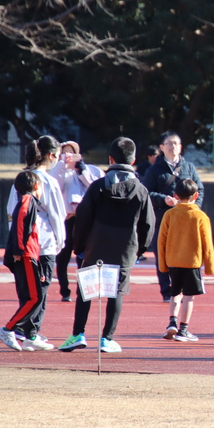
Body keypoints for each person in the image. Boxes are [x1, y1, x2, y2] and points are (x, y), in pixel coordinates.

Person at [58, 137, 155, 353]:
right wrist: (139, 251)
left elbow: (83, 218)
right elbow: (148, 225)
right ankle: (107, 339)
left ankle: (78, 334)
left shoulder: (98, 186)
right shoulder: (140, 190)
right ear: (134, 160)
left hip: (95, 246)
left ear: (110, 158)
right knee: (117, 292)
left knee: (86, 290)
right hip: (125, 249)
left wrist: (79, 246)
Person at [6, 136, 66, 343]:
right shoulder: (48, 181)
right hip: (44, 244)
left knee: (26, 289)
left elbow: (10, 212)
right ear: (51, 156)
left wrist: (13, 239)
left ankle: (28, 330)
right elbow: (57, 214)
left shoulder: (20, 180)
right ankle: (28, 330)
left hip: (22, 245)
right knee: (40, 291)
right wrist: (61, 241)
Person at [143, 131, 204, 302]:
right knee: (162, 253)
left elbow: (200, 189)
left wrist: (194, 209)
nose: (173, 146)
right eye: (169, 143)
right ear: (161, 147)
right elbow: (146, 193)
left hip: (187, 222)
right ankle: (166, 291)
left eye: (176, 143)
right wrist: (164, 200)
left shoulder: (189, 167)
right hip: (164, 219)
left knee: (188, 252)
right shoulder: (153, 170)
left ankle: (187, 288)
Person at [0, 171, 53, 351]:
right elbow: (20, 222)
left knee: (29, 296)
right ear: (36, 186)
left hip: (29, 254)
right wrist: (19, 249)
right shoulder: (27, 200)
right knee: (35, 297)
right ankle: (8, 329)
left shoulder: (27, 201)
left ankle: (29, 335)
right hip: (26, 255)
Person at [159, 178, 214, 343]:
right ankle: (183, 329)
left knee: (175, 293)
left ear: (175, 195)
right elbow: (207, 242)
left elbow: (161, 240)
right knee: (189, 296)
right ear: (196, 195)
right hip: (192, 262)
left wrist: (163, 263)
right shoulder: (200, 216)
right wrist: (210, 266)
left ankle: (172, 322)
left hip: (173, 261)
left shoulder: (169, 214)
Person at [49, 140, 104, 301]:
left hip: (83, 219)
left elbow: (93, 187)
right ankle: (64, 290)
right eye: (64, 152)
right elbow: (56, 185)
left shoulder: (87, 170)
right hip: (66, 219)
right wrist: (61, 165)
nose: (68, 156)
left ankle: (84, 289)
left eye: (71, 152)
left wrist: (82, 170)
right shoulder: (57, 171)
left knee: (84, 255)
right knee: (63, 256)